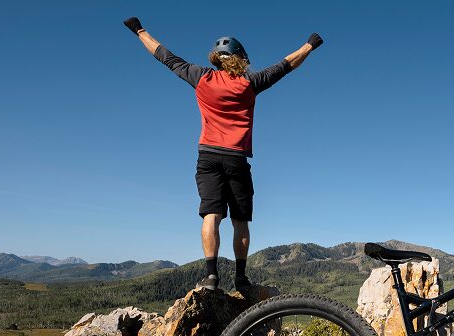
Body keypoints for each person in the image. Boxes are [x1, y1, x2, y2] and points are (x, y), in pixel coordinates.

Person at [123, 17, 323, 291]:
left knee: (211, 215)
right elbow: (287, 64)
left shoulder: (201, 76)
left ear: (217, 59)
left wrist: (139, 30)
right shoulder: (250, 82)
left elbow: (164, 55)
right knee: (240, 221)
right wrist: (310, 45)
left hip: (208, 156)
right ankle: (240, 278)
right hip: (236, 158)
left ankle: (211, 277)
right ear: (241, 59)